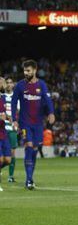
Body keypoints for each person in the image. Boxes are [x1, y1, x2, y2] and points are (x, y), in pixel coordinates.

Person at [12, 60, 55, 190]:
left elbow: (47, 100)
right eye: (25, 71)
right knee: (29, 147)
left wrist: (51, 113)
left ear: (35, 70)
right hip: (25, 123)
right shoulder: (20, 85)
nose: (26, 73)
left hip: (38, 124)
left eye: (28, 70)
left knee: (35, 150)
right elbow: (14, 103)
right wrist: (14, 119)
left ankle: (30, 177)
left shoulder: (41, 85)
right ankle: (29, 180)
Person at [2, 77, 19, 182]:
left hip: (12, 129)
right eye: (6, 83)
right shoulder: (1, 96)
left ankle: (11, 176)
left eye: (10, 83)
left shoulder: (16, 98)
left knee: (12, 154)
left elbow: (19, 112)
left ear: (13, 85)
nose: (8, 84)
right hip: (2, 129)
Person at [0, 77, 12, 191]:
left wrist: (8, 118)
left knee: (8, 160)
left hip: (3, 133)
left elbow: (4, 114)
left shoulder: (3, 97)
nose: (4, 84)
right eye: (2, 82)